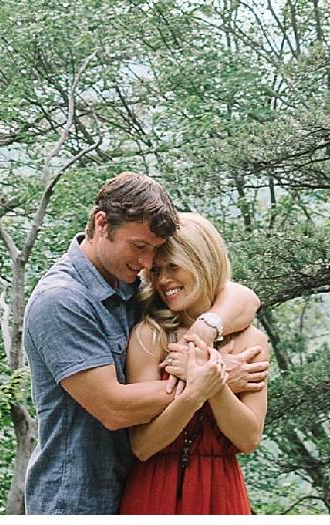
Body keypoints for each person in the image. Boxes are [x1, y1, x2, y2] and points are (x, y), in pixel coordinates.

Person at [22, 174, 267, 515]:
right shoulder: (62, 300)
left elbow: (244, 297)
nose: (148, 264)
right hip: (76, 498)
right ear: (102, 223)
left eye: (155, 251)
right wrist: (214, 376)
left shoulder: (129, 285)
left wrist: (207, 328)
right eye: (140, 247)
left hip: (135, 490)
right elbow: (114, 408)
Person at [119, 212, 266, 515]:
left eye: (173, 266)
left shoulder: (251, 340)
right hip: (154, 488)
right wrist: (194, 394)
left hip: (222, 493)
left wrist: (214, 382)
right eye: (156, 270)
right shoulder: (150, 335)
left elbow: (249, 439)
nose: (163, 280)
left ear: (203, 261)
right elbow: (142, 446)